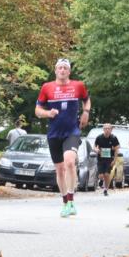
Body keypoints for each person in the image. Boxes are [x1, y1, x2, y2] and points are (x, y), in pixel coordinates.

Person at [35, 57, 90, 217]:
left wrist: (86, 112)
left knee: (70, 162)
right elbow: (37, 110)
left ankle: (71, 200)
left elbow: (87, 100)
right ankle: (65, 201)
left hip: (72, 131)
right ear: (55, 70)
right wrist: (48, 113)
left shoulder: (78, 86)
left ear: (69, 71)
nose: (62, 70)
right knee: (59, 170)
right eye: (60, 67)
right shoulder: (47, 87)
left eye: (65, 68)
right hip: (54, 133)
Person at [93, 123, 120, 196]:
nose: (107, 130)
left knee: (107, 174)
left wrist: (115, 160)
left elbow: (117, 149)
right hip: (100, 158)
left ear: (111, 130)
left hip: (109, 159)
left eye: (109, 128)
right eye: (105, 128)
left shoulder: (113, 138)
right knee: (101, 175)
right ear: (103, 129)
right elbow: (94, 147)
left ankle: (105, 189)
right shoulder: (99, 137)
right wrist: (96, 150)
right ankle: (101, 180)